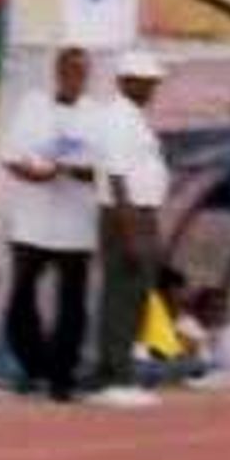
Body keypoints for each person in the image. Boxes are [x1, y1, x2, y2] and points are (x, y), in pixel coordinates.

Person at [0, 47, 101, 402]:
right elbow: (10, 157)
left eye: (81, 73)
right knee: (20, 301)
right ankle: (35, 365)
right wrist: (33, 174)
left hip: (76, 225)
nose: (75, 78)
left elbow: (105, 169)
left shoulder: (96, 116)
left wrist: (71, 170)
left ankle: (62, 377)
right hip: (32, 221)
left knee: (72, 306)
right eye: (69, 71)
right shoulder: (33, 107)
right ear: (57, 72)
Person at [84, 49, 170, 408]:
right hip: (127, 215)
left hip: (139, 213)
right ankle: (117, 376)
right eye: (146, 82)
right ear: (125, 82)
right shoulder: (119, 118)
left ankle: (112, 372)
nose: (152, 89)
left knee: (133, 296)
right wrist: (131, 231)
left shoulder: (132, 118)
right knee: (123, 296)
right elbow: (116, 176)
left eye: (153, 83)